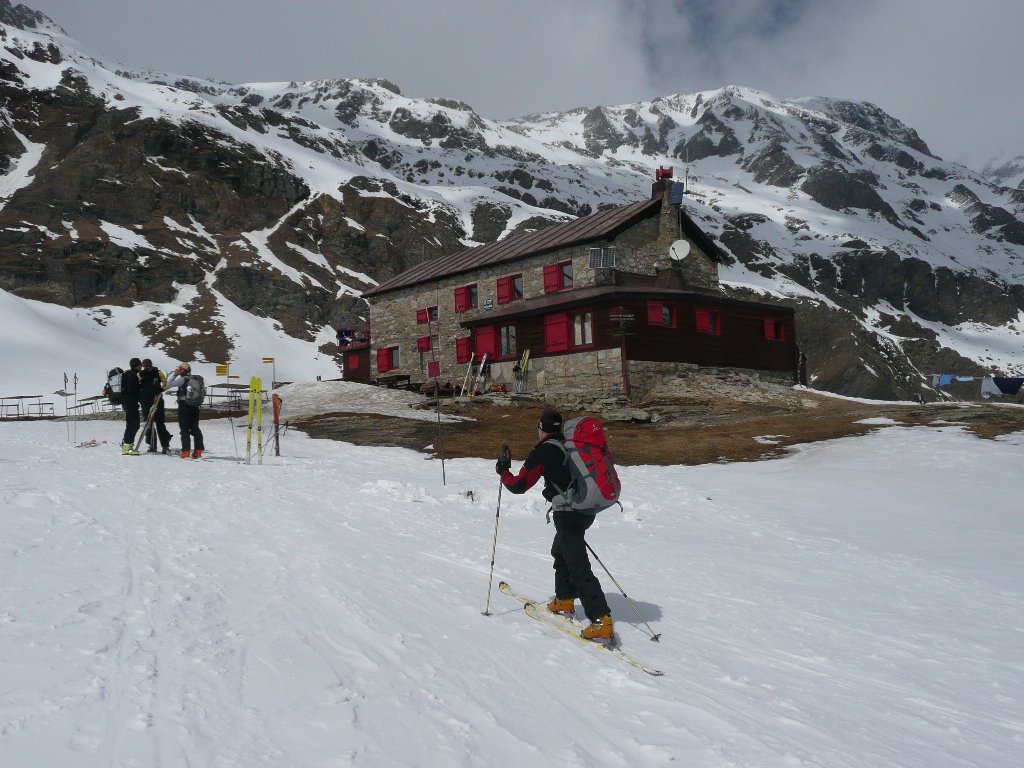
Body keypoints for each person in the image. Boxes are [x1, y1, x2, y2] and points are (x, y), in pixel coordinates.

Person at [495, 408, 614, 640]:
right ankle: (565, 600)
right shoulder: (569, 445)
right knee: (560, 551)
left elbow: (519, 485)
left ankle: (601, 620)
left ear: (541, 429)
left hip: (568, 513)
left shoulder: (543, 452)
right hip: (584, 509)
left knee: (577, 564)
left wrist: (504, 472)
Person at [167, 362, 205, 459]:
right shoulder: (196, 379)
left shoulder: (182, 380)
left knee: (184, 429)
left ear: (183, 370)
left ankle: (186, 451)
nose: (178, 370)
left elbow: (169, 384)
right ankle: (198, 450)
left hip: (184, 406)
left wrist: (175, 375)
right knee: (195, 428)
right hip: (195, 406)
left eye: (180, 369)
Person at [139, 358, 172, 454]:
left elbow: (165, 384)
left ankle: (154, 445)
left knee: (150, 424)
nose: (147, 367)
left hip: (150, 401)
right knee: (157, 424)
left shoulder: (141, 374)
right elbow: (166, 384)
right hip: (156, 400)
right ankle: (163, 446)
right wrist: (161, 389)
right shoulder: (158, 372)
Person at [119, 358, 143, 454]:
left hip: (127, 403)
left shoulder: (127, 374)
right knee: (133, 425)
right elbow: (134, 391)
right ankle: (127, 446)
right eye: (140, 365)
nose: (141, 366)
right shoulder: (133, 376)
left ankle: (126, 444)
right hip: (131, 403)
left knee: (133, 424)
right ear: (137, 365)